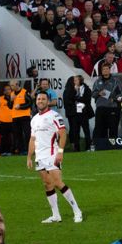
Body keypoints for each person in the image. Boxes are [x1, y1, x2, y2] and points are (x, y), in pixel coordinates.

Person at [28, 91, 83, 224]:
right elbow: (32, 139)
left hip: (52, 154)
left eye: (43, 99)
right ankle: (56, 215)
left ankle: (77, 211)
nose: (40, 101)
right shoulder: (34, 119)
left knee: (58, 183)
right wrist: (29, 157)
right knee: (47, 185)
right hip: (39, 157)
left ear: (48, 101)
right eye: (38, 99)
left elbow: (63, 134)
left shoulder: (54, 116)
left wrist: (60, 151)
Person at [92, 63, 122, 139]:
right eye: (104, 69)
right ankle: (102, 146)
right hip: (100, 108)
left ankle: (113, 146)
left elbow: (121, 94)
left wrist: (114, 99)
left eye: (107, 69)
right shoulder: (97, 82)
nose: (105, 71)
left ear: (109, 70)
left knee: (113, 128)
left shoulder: (116, 81)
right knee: (100, 128)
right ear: (101, 71)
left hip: (112, 107)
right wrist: (99, 93)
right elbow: (93, 94)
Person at [62, 74, 94, 152]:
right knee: (76, 131)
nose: (74, 81)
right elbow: (69, 100)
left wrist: (80, 101)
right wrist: (75, 94)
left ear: (80, 80)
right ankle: (77, 149)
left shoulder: (86, 89)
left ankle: (88, 147)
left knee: (86, 130)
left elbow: (87, 99)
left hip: (84, 113)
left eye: (76, 80)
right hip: (74, 114)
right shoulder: (70, 89)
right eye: (74, 80)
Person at [7, 81, 32, 155]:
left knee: (27, 134)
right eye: (10, 85)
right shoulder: (12, 94)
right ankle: (21, 150)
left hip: (25, 117)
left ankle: (29, 149)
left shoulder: (24, 92)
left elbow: (30, 103)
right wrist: (11, 100)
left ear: (17, 85)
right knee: (17, 135)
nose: (11, 87)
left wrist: (20, 106)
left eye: (12, 85)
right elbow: (10, 106)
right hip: (15, 117)